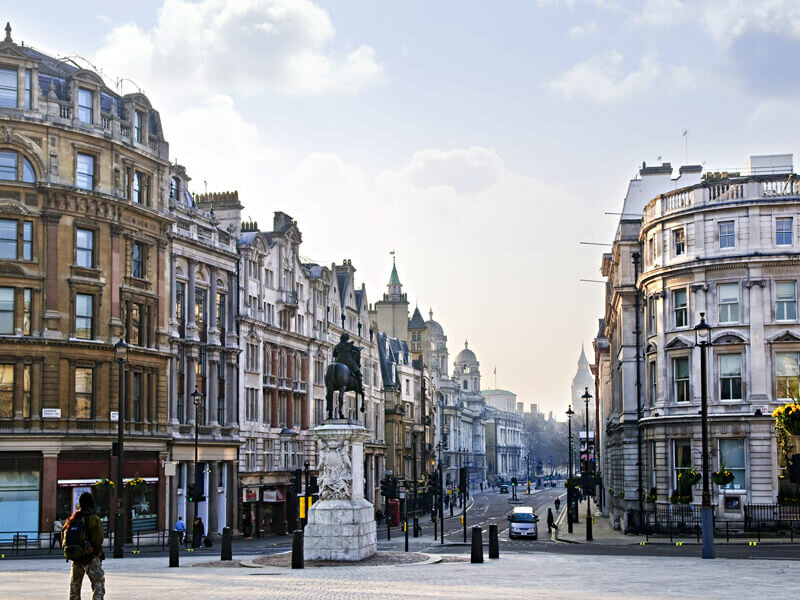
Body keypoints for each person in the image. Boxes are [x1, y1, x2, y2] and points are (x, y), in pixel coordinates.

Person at [65, 492, 105, 600]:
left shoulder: (73, 518)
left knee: (75, 586)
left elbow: (64, 535)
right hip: (90, 557)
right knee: (98, 584)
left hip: (76, 556)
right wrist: (95, 550)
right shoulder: (94, 519)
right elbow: (98, 539)